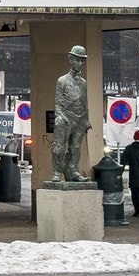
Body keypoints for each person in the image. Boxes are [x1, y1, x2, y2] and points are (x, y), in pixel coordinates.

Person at [51, 45, 92, 182]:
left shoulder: (83, 82)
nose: (79, 63)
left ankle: (73, 170)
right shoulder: (62, 80)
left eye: (82, 61)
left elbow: (85, 102)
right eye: (77, 60)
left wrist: (87, 119)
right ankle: (57, 171)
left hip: (79, 119)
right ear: (71, 59)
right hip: (65, 118)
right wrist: (60, 116)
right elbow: (58, 101)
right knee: (58, 147)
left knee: (75, 148)